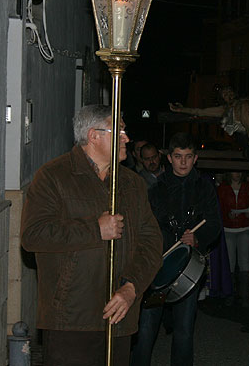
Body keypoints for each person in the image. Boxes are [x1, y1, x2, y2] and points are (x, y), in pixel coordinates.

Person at [20, 105, 163, 366]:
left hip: (120, 315)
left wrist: (132, 287)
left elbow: (151, 242)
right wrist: (94, 230)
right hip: (71, 318)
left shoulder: (132, 184)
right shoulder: (54, 176)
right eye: (118, 130)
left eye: (125, 130)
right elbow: (33, 235)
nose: (126, 138)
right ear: (93, 136)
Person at [131, 132, 221, 366]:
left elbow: (214, 224)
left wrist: (197, 237)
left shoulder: (205, 188)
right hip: (157, 269)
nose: (183, 162)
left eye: (188, 157)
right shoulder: (156, 189)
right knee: (146, 332)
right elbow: (145, 228)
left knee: (183, 333)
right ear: (168, 158)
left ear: (195, 158)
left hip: (188, 268)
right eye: (178, 156)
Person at [169, 85, 249, 150]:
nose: (228, 95)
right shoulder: (224, 109)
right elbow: (200, 112)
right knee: (245, 105)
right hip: (240, 127)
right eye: (225, 94)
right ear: (222, 99)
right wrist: (182, 110)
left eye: (229, 92)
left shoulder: (246, 102)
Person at [217, 171, 249, 307]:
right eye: (234, 171)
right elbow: (219, 207)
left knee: (244, 262)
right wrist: (226, 215)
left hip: (245, 228)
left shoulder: (248, 188)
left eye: (240, 171)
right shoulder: (223, 188)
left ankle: (245, 295)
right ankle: (229, 294)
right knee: (229, 262)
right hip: (228, 229)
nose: (237, 174)